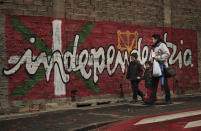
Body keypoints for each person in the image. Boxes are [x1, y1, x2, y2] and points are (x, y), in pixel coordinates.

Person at [144, 34, 172, 105]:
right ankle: (151, 99)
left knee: (165, 84)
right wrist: (149, 63)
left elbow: (167, 54)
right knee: (153, 84)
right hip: (155, 68)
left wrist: (159, 57)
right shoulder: (154, 47)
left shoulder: (162, 45)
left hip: (162, 67)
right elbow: (152, 57)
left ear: (156, 39)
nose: (152, 40)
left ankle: (168, 99)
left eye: (153, 39)